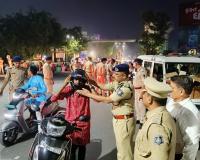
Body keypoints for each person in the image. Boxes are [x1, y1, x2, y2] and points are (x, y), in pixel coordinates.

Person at [77, 64, 135, 160]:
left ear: (124, 76)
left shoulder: (126, 88)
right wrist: (89, 80)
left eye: (116, 74)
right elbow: (103, 86)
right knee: (121, 149)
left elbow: (107, 100)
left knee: (124, 152)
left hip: (124, 121)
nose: (113, 76)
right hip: (118, 120)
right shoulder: (118, 83)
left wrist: (88, 94)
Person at [51, 69, 94, 160]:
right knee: (72, 148)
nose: (77, 81)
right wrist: (64, 84)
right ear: (71, 80)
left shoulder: (86, 89)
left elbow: (98, 99)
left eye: (79, 79)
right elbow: (53, 99)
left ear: (83, 80)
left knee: (82, 147)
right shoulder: (69, 90)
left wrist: (91, 85)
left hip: (83, 124)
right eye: (75, 79)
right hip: (70, 123)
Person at [134, 77, 176, 160]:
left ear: (150, 99)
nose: (141, 96)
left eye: (144, 93)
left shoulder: (156, 126)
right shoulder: (161, 114)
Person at [166, 75, 200, 160]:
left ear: (181, 92)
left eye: (172, 88)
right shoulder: (172, 101)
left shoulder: (189, 112)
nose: (169, 90)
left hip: (179, 155)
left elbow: (192, 143)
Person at [18, 65, 47, 131]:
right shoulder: (31, 78)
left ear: (31, 71)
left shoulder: (39, 78)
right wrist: (20, 89)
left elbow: (44, 89)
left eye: (28, 70)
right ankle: (31, 115)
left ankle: (40, 129)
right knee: (23, 103)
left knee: (37, 111)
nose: (28, 71)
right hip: (32, 97)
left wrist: (37, 93)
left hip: (40, 98)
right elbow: (27, 86)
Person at [133, 58, 147, 126]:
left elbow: (144, 83)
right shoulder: (138, 70)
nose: (133, 64)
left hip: (140, 90)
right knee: (136, 105)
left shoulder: (142, 71)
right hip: (136, 90)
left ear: (137, 63)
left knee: (141, 105)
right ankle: (138, 117)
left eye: (134, 63)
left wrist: (142, 93)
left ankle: (142, 120)